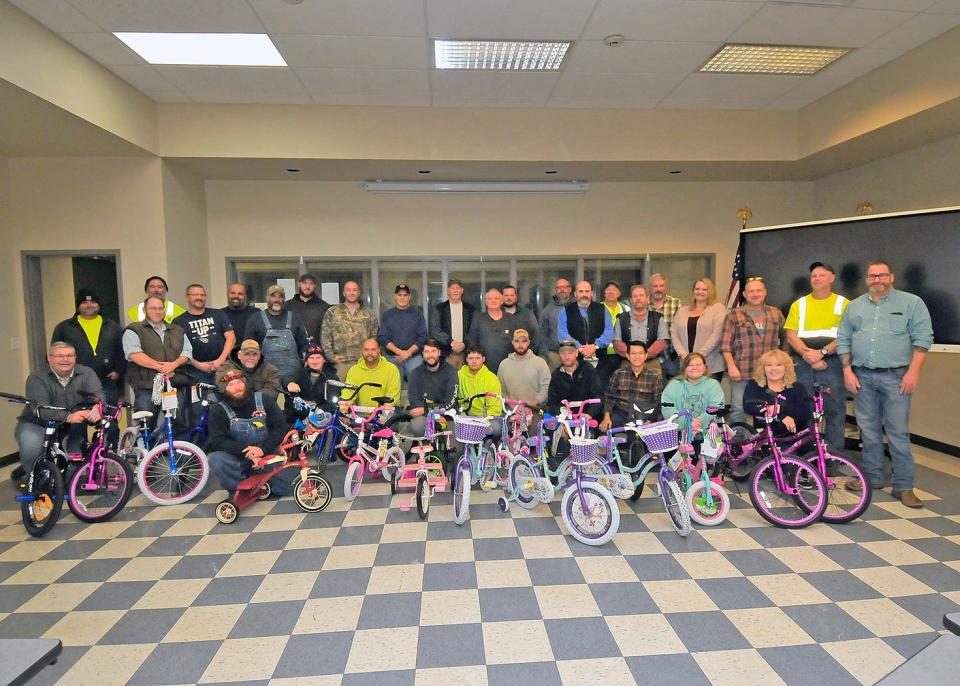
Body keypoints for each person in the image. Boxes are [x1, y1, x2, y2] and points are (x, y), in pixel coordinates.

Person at [837, 261, 933, 508]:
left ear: (891, 277)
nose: (876, 279)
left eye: (881, 275)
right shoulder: (855, 306)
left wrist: (912, 374)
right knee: (867, 431)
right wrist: (847, 371)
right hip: (862, 377)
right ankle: (872, 478)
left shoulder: (911, 303)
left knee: (897, 432)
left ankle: (904, 486)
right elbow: (844, 338)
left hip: (897, 377)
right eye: (872, 276)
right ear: (866, 279)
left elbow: (923, 340)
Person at [784, 262, 849, 453]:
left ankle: (833, 458)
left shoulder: (844, 304)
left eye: (821, 275)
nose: (817, 278)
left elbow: (845, 335)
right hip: (803, 364)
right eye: (814, 275)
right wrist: (807, 354)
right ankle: (806, 455)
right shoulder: (799, 304)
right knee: (802, 409)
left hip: (833, 363)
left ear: (832, 278)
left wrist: (822, 353)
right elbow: (791, 334)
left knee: (834, 410)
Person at [14, 342, 102, 480]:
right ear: (50, 358)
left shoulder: (86, 373)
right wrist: (67, 416)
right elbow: (41, 409)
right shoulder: (37, 378)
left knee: (75, 454)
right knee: (32, 447)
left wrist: (97, 408)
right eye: (60, 356)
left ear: (75, 357)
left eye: (69, 355)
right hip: (37, 423)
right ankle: (36, 481)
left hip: (72, 425)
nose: (65, 360)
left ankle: (69, 480)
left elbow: (98, 395)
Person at [207, 370, 293, 497]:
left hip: (267, 453)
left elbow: (280, 427)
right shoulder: (218, 409)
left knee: (286, 489)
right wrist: (249, 453)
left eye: (239, 383)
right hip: (239, 458)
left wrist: (261, 450)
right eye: (231, 385)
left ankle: (262, 482)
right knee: (215, 459)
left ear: (246, 384)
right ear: (224, 390)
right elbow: (218, 440)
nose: (236, 387)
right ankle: (239, 490)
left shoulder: (264, 400)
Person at [721, 277, 785, 423]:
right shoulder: (733, 314)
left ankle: (764, 443)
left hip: (770, 373)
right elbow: (725, 346)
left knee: (768, 409)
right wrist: (731, 367)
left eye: (758, 290)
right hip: (741, 372)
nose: (755, 294)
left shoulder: (776, 313)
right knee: (738, 410)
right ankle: (739, 443)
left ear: (765, 292)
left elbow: (786, 339)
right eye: (751, 291)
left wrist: (782, 362)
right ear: (744, 294)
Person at [122, 295, 193, 423]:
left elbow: (187, 352)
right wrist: (162, 367)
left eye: (160, 308)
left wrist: (174, 364)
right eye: (153, 308)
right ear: (145, 310)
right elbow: (134, 354)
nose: (157, 311)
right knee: (145, 425)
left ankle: (172, 444)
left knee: (179, 424)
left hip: (174, 385)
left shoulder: (177, 330)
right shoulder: (134, 330)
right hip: (147, 387)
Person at [50, 289, 125, 403]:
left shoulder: (112, 326)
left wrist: (118, 372)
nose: (89, 305)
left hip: (107, 382)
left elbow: (122, 350)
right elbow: (55, 353)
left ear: (99, 305)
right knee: (78, 417)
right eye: (84, 302)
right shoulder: (64, 328)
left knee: (107, 418)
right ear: (78, 306)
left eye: (93, 302)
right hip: (75, 382)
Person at [244, 284, 308, 385]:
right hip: (266, 376)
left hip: (293, 376)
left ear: (284, 299)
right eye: (273, 296)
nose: (276, 299)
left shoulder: (295, 318)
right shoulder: (255, 319)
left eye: (280, 296)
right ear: (267, 298)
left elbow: (304, 344)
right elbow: (248, 348)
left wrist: (307, 362)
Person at [173, 284, 235, 386]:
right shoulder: (178, 321)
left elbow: (231, 337)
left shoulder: (218, 314)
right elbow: (178, 349)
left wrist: (220, 360)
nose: (199, 298)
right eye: (195, 295)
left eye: (202, 295)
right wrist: (197, 364)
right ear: (187, 297)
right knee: (201, 400)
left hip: (223, 366)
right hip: (194, 370)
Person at [743, 349, 812, 437]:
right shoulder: (754, 385)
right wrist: (780, 416)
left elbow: (805, 413)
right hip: (766, 436)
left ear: (787, 368)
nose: (774, 369)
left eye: (779, 365)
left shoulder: (798, 388)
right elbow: (749, 406)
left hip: (795, 436)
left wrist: (778, 411)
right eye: (769, 365)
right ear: (763, 368)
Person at [321, 280, 379, 381]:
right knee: (341, 392)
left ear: (359, 293)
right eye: (348, 290)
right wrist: (331, 357)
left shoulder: (369, 313)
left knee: (363, 391)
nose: (351, 293)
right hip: (341, 362)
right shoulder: (332, 312)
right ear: (344, 293)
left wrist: (371, 356)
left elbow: (374, 337)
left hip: (363, 361)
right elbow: (325, 335)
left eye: (354, 290)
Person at [672, 278, 727, 382]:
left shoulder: (718, 308)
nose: (700, 292)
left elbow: (717, 335)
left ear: (710, 291)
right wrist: (684, 355)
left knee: (708, 397)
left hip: (710, 364)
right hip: (686, 365)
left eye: (704, 289)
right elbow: (674, 334)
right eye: (697, 289)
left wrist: (697, 357)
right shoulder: (682, 311)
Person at [600, 340, 663, 431]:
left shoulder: (654, 377)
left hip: (644, 416)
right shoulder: (618, 374)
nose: (637, 357)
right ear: (628, 356)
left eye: (640, 353)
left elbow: (657, 403)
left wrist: (651, 421)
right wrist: (606, 417)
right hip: (621, 415)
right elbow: (610, 398)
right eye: (633, 353)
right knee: (605, 432)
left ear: (645, 356)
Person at [660, 352, 725, 439]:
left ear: (704, 367)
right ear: (685, 368)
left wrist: (699, 421)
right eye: (690, 365)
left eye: (698, 364)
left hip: (708, 434)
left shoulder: (713, 385)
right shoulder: (673, 385)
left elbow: (717, 407)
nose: (694, 368)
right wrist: (687, 422)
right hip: (678, 434)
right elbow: (667, 408)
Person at [558, 281, 615, 374]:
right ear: (575, 294)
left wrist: (595, 346)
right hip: (574, 361)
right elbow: (562, 333)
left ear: (591, 293)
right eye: (581, 291)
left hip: (600, 360)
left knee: (599, 387)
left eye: (587, 291)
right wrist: (579, 347)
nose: (584, 294)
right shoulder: (565, 311)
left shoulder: (602, 309)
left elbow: (609, 331)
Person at [405, 338, 458, 436]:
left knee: (455, 436)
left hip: (447, 415)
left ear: (439, 352)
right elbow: (414, 401)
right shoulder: (415, 374)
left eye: (433, 351)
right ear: (423, 354)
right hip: (424, 417)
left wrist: (432, 412)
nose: (430, 355)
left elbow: (451, 402)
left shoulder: (451, 372)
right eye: (427, 352)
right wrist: (432, 415)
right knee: (418, 425)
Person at [613, 284, 668, 376]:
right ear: (631, 300)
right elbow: (617, 343)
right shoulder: (621, 318)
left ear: (647, 298)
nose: (638, 298)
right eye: (635, 296)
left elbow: (661, 342)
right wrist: (634, 357)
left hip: (652, 363)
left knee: (655, 390)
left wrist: (641, 356)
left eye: (641, 296)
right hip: (627, 364)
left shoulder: (658, 318)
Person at [378, 283, 428, 381]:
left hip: (414, 357)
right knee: (391, 388)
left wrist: (408, 353)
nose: (402, 298)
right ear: (395, 296)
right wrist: (399, 352)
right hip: (392, 357)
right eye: (399, 295)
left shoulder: (418, 314)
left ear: (409, 297)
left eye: (405, 295)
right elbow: (383, 337)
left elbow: (423, 337)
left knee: (417, 386)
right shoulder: (387, 315)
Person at [546, 339, 604, 421]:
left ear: (576, 353)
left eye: (570, 353)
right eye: (563, 353)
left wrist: (590, 414)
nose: (567, 357)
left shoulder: (587, 369)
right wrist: (564, 412)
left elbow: (599, 395)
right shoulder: (556, 375)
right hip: (567, 419)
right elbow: (552, 403)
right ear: (559, 355)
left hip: (588, 417)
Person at [457, 344, 503, 438]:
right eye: (471, 358)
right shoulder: (459, 376)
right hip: (466, 416)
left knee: (496, 428)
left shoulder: (492, 378)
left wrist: (481, 421)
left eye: (477, 358)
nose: (474, 361)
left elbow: (496, 408)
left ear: (483, 359)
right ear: (466, 360)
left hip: (487, 418)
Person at [497, 328, 550, 409]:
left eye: (524, 341)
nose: (520, 345)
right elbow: (501, 391)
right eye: (517, 341)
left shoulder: (541, 363)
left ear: (528, 342)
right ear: (512, 342)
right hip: (511, 410)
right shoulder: (503, 365)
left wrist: (531, 404)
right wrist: (514, 406)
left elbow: (546, 389)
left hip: (535, 409)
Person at [466, 288, 516, 373]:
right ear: (486, 302)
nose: (493, 301)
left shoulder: (511, 319)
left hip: (509, 367)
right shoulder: (478, 319)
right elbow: (472, 343)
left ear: (501, 301)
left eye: (496, 299)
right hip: (484, 368)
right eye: (490, 299)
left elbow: (517, 342)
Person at [431, 278, 476, 370]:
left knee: (465, 381)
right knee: (448, 381)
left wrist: (464, 344)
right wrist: (451, 342)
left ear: (462, 290)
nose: (455, 291)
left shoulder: (471, 309)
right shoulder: (439, 309)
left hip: (467, 352)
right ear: (448, 291)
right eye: (452, 288)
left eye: (458, 288)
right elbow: (435, 330)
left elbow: (474, 329)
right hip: (446, 353)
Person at [285, 345, 338, 420]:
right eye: (311, 358)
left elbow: (332, 403)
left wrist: (315, 410)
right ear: (306, 360)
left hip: (322, 417)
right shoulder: (299, 373)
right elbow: (284, 380)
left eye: (318, 358)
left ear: (324, 360)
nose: (315, 361)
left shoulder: (332, 378)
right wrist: (289, 383)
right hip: (299, 417)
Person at [216, 339, 282, 399]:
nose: (251, 358)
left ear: (259, 355)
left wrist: (251, 398)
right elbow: (222, 387)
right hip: (234, 405)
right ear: (239, 355)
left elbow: (273, 390)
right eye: (247, 354)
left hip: (261, 406)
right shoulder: (225, 368)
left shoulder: (271, 370)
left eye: (255, 354)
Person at [345, 338, 401, 407]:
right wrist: (344, 409)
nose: (369, 353)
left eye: (373, 349)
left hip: (385, 414)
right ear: (362, 351)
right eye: (366, 350)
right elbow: (348, 392)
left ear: (379, 351)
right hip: (361, 414)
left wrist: (384, 414)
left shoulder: (392, 369)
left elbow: (393, 396)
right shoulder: (354, 370)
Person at [649, 273, 683, 378]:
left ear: (666, 287)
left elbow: (681, 330)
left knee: (671, 388)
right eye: (655, 286)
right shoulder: (643, 304)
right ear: (650, 288)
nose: (658, 289)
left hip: (670, 355)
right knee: (651, 388)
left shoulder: (676, 303)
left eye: (661, 286)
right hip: (648, 357)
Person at [597, 281, 630, 385]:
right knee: (602, 384)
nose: (611, 292)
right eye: (608, 290)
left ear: (619, 293)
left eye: (614, 290)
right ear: (604, 293)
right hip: (602, 354)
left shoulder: (627, 309)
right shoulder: (596, 309)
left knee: (621, 383)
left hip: (621, 354)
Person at [285, 273, 330, 345]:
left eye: (311, 284)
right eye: (304, 283)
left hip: (316, 352)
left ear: (315, 286)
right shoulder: (287, 306)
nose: (307, 286)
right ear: (299, 284)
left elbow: (329, 332)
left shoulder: (324, 307)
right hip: (293, 351)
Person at [539, 278, 573, 373]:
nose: (562, 290)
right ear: (556, 290)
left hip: (576, 355)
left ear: (570, 289)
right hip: (555, 356)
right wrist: (547, 354)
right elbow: (542, 335)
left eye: (565, 287)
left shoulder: (579, 307)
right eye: (559, 288)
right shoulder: (547, 311)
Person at [501, 285, 540, 354]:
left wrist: (530, 354)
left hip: (524, 357)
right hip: (502, 358)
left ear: (516, 297)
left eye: (511, 295)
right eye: (506, 295)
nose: (509, 298)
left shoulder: (527, 314)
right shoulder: (497, 314)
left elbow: (536, 336)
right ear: (502, 297)